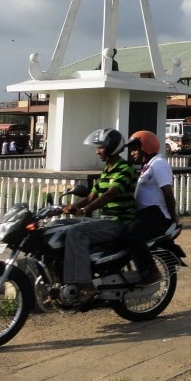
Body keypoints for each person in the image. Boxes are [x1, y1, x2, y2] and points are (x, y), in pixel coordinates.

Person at [60, 128, 138, 303]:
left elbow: (109, 195)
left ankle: (84, 285)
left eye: (101, 147)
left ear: (112, 148)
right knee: (59, 227)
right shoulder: (107, 170)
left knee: (76, 232)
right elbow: (91, 196)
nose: (97, 151)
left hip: (119, 221)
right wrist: (70, 206)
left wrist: (85, 210)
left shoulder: (124, 168)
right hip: (105, 220)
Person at [125, 130, 179, 284]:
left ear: (146, 147)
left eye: (135, 149)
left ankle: (151, 271)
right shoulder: (147, 166)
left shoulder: (159, 164)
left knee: (132, 234)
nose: (132, 154)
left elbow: (167, 193)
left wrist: (173, 216)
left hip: (156, 214)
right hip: (144, 213)